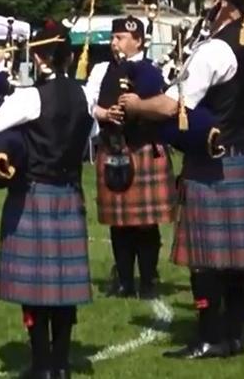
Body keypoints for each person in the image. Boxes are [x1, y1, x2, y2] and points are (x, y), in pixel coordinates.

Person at [119, 0, 244, 359]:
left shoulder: (215, 50)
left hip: (213, 161)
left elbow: (173, 105)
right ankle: (235, 334)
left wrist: (136, 105)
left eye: (208, 0)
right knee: (241, 255)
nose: (204, 6)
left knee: (205, 256)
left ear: (222, 4)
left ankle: (209, 337)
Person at [0, 24, 95, 379]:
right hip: (69, 192)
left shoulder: (28, 98)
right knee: (63, 287)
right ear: (69, 56)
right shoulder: (85, 96)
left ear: (37, 57)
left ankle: (42, 364)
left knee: (36, 288)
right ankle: (60, 364)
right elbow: (91, 134)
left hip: (34, 194)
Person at [84, 16, 175, 299]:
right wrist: (103, 113)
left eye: (121, 37)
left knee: (146, 223)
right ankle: (124, 280)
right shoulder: (102, 70)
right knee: (119, 222)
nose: (115, 43)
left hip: (144, 147)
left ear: (139, 41)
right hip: (113, 147)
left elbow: (163, 106)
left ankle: (148, 281)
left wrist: (138, 107)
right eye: (114, 37)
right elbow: (88, 100)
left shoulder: (152, 70)